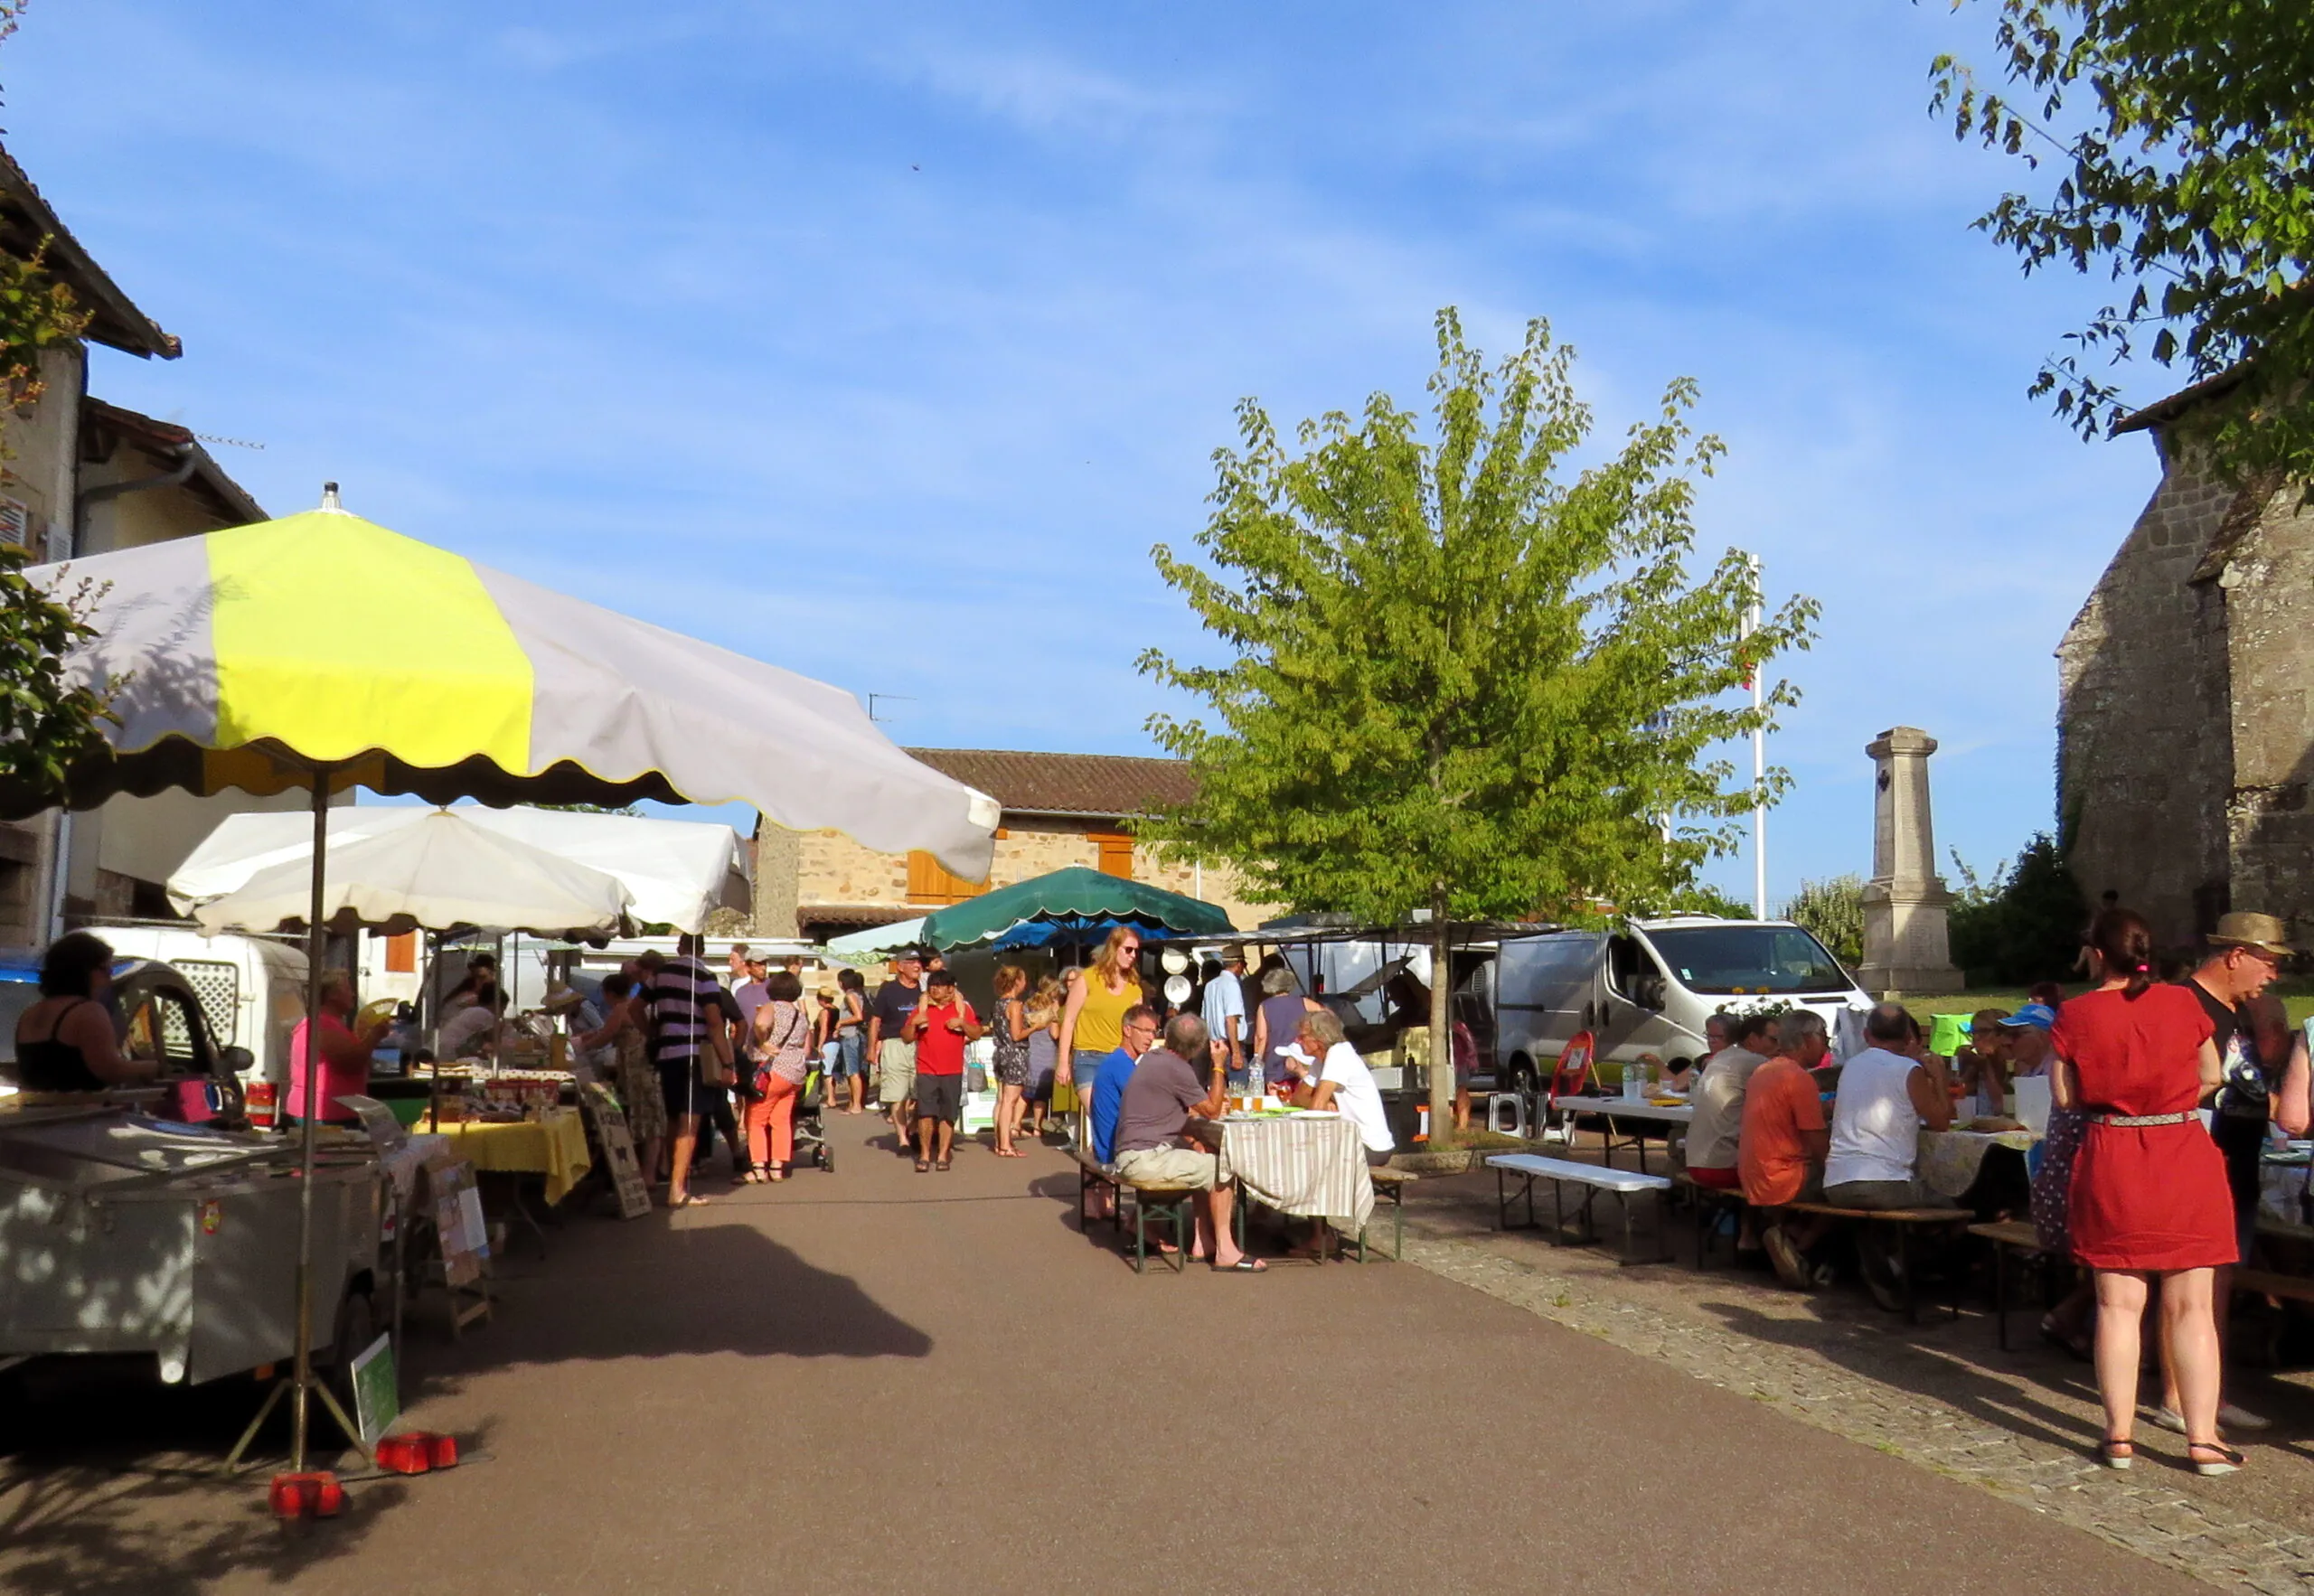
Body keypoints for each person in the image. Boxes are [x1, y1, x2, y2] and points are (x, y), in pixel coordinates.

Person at [2051, 906, 2240, 1475]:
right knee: (2192, 1308)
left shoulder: (2074, 1014)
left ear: (2099, 953)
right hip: (2182, 1154)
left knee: (2117, 1305)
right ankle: (2203, 1441)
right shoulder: (2183, 1003)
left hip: (2113, 1156)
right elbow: (2212, 1075)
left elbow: (2064, 1097)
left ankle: (2119, 1438)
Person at [2156, 912, 2293, 1436]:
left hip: (2240, 1157)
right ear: (2235, 956)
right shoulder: (2184, 1005)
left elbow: (2263, 1081)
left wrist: (2268, 1021)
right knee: (2188, 1283)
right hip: (2197, 1158)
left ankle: (2207, 1393)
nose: (2274, 974)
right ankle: (2178, 1397)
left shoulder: (2245, 1011)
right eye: (2269, 962)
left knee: (2220, 1279)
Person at [1112, 1013, 1260, 1271]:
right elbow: (1212, 1111)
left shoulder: (1153, 1060)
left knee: (1203, 1153)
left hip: (1131, 1153)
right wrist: (1218, 1065)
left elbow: (1173, 1112)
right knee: (1222, 1169)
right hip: (1145, 1159)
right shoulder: (1178, 1069)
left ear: (1167, 1036)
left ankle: (1203, 1241)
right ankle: (1226, 1249)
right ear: (1199, 1046)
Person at [1824, 1002, 1953, 1207]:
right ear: (1907, 1037)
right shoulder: (1909, 1069)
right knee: (1955, 1200)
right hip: (1886, 1182)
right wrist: (1939, 1078)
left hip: (1836, 1182)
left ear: (1866, 1035)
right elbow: (1941, 1123)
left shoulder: (1851, 1065)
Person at [1741, 1010, 1834, 1288]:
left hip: (1753, 1173)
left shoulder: (1764, 1071)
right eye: (1824, 1037)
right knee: (1847, 1189)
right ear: (1807, 1039)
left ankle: (1787, 1232)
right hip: (1782, 1176)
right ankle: (1798, 1246)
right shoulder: (1799, 1079)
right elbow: (1818, 1145)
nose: (1826, 1045)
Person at [651, 934, 739, 1208]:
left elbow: (634, 1008)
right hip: (693, 1055)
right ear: (702, 950)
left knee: (672, 1118)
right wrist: (727, 1063)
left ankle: (671, 1179)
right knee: (690, 1123)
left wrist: (656, 1036)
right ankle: (678, 1189)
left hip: (667, 1054)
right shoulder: (705, 977)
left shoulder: (661, 974)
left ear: (679, 948)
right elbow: (714, 1022)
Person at [13, 932, 154, 1093]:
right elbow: (111, 1070)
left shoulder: (30, 1014)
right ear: (82, 971)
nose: (109, 978)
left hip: (33, 1112)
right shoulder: (88, 1012)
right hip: (78, 1112)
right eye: (105, 970)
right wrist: (153, 1067)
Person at [1056, 928, 1145, 1146]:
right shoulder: (1087, 979)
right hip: (1087, 1059)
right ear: (1114, 949)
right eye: (1129, 949)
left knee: (1123, 1120)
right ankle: (1101, 1172)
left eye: (1136, 951)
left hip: (1118, 1060)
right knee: (1101, 1116)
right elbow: (1068, 1020)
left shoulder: (1134, 989)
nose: (1133, 955)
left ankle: (1105, 1170)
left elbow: (1138, 1029)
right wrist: (1063, 1062)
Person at [584, 973, 665, 1198]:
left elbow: (604, 1037)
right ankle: (651, 1172)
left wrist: (580, 1049)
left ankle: (643, 1174)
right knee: (653, 1122)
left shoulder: (622, 1008)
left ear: (609, 993)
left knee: (643, 1121)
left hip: (637, 1071)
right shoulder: (642, 1007)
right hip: (650, 1069)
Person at [279, 969, 392, 1125]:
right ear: (332, 995)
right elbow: (349, 1061)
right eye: (348, 989)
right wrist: (374, 1037)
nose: (353, 995)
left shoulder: (330, 1024)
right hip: (321, 1114)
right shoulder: (322, 1024)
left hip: (334, 1110)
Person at [1682, 1011, 1776, 1191]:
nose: (1780, 1046)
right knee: (1789, 1175)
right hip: (1723, 1168)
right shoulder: (1755, 1062)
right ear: (1753, 1039)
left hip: (1696, 1163)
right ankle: (1774, 1219)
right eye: (1773, 1040)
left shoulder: (1720, 1058)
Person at [1287, 1009, 1395, 1165]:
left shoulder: (1339, 1054)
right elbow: (1297, 1098)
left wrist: (1320, 1104)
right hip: (1351, 1139)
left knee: (1304, 1155)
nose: (1297, 1041)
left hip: (1369, 1145)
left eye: (1302, 1037)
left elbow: (1314, 1110)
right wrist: (1325, 1105)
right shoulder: (1320, 1060)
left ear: (1319, 1038)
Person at [904, 968, 981, 1171]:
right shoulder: (922, 1009)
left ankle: (943, 1155)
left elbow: (977, 1033)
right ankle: (924, 1155)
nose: (934, 989)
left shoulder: (962, 1008)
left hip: (953, 1070)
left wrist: (963, 1023)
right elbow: (906, 1036)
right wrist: (914, 1024)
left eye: (939, 985)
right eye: (931, 986)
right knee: (926, 1114)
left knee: (948, 1115)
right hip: (926, 1068)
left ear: (950, 988)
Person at [745, 970, 813, 1182]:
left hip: (771, 1072)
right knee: (781, 1120)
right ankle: (777, 1166)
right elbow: (806, 1048)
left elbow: (760, 1024)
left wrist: (763, 1043)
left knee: (756, 1119)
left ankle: (758, 1167)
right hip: (794, 1073)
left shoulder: (770, 1007)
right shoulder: (800, 1016)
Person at [1086, 1004, 1162, 1168]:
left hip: (1112, 1147)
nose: (1150, 1038)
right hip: (1116, 1153)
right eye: (1145, 1031)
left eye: (1153, 1032)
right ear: (1127, 1030)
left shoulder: (1119, 1061)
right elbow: (1152, 1109)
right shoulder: (1121, 1065)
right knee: (1198, 1151)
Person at [868, 949, 925, 1150]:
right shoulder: (888, 990)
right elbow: (876, 1020)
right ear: (900, 966)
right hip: (894, 1044)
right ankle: (903, 1140)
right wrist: (871, 1048)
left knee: (921, 1093)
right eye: (911, 962)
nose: (917, 965)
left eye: (919, 962)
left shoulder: (926, 988)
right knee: (897, 1094)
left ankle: (913, 1127)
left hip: (922, 1045)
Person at [988, 964, 1035, 1158]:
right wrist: (1035, 1027)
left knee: (1001, 1100)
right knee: (1010, 1101)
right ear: (1017, 982)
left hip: (1000, 1052)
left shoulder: (998, 1003)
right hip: (1015, 1053)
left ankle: (1000, 1142)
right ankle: (1006, 1144)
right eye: (1023, 979)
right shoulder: (1015, 1005)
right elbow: (1017, 1035)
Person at [1249, 965, 1322, 1088]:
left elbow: (1261, 1037)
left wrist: (1257, 1063)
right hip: (1302, 1059)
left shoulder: (1265, 1006)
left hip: (1275, 1063)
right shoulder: (1304, 1002)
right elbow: (1327, 1015)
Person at [1021, 975, 1063, 1141]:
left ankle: (1015, 1124)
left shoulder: (1028, 1004)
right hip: (1046, 1053)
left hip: (1030, 1050)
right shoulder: (1053, 1007)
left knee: (1024, 1092)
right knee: (1041, 1094)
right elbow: (1054, 1033)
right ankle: (1037, 1127)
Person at [1200, 947, 1249, 1086]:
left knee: (1217, 1091)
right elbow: (1231, 1019)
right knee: (1239, 1092)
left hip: (1215, 1045)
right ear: (1239, 964)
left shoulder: (1210, 985)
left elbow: (1204, 1019)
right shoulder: (1232, 985)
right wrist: (1236, 1053)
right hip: (1230, 1045)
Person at [1954, 1009, 2012, 1113]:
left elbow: (2001, 1107)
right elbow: (1957, 1103)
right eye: (1974, 1032)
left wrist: (1986, 1066)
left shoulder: (2013, 1064)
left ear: (2002, 1033)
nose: (1976, 1037)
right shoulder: (1976, 1062)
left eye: (1984, 1031)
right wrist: (1963, 1068)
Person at [832, 968, 869, 1115]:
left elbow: (858, 1016)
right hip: (855, 1035)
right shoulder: (859, 994)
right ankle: (853, 1102)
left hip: (851, 1036)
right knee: (852, 1072)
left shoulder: (850, 996)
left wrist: (841, 1022)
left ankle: (856, 1105)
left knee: (853, 1072)